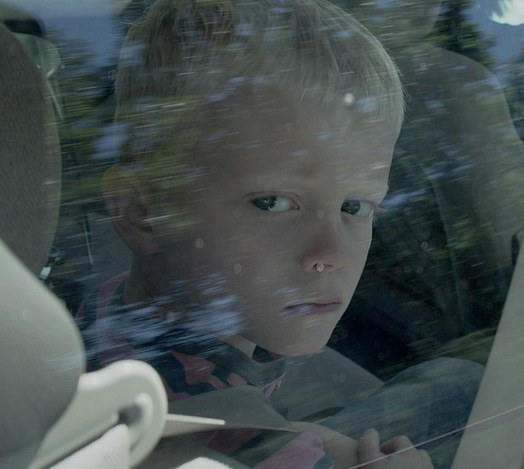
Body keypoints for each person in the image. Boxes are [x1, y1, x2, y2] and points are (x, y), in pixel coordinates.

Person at [75, 0, 472, 467]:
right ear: (142, 213)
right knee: (463, 389)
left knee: (458, 381)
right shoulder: (213, 441)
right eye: (273, 202)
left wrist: (304, 435)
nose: (333, 254)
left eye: (355, 206)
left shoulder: (113, 317)